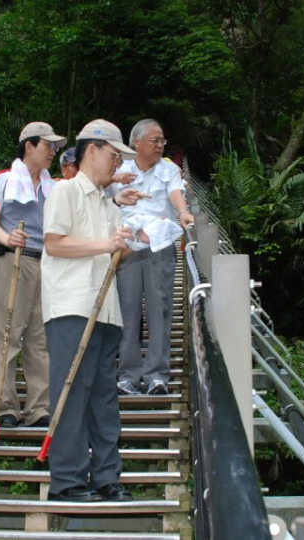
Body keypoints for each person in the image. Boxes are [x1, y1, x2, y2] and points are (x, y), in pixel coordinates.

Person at [42, 119, 146, 502]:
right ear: (92, 151)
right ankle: (66, 482)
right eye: (115, 156)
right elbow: (54, 243)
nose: (117, 164)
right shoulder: (64, 191)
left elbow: (113, 253)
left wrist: (134, 243)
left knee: (103, 397)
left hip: (106, 310)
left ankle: (106, 477)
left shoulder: (107, 204)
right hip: (72, 306)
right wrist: (107, 244)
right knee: (72, 393)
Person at [0, 121, 66, 429]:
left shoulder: (55, 186)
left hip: (47, 263)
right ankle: (5, 407)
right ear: (29, 146)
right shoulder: (1, 179)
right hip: (12, 260)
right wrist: (7, 238)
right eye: (48, 145)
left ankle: (38, 407)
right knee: (7, 334)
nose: (53, 152)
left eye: (55, 147)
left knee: (39, 338)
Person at [106, 119, 194, 396]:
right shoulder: (119, 169)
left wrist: (183, 212)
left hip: (159, 244)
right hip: (128, 245)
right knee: (127, 310)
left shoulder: (169, 169)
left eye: (162, 140)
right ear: (137, 142)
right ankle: (128, 375)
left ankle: (157, 375)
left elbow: (175, 193)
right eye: (154, 140)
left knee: (160, 309)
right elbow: (104, 199)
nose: (160, 145)